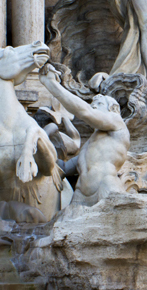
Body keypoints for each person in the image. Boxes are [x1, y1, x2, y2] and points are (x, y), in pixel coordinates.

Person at [39, 63, 130, 206]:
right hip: (81, 194)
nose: (93, 107)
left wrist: (51, 84)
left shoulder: (117, 124)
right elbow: (64, 167)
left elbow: (85, 112)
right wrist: (40, 146)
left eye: (98, 104)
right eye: (92, 104)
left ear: (112, 109)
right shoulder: (89, 146)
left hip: (106, 187)